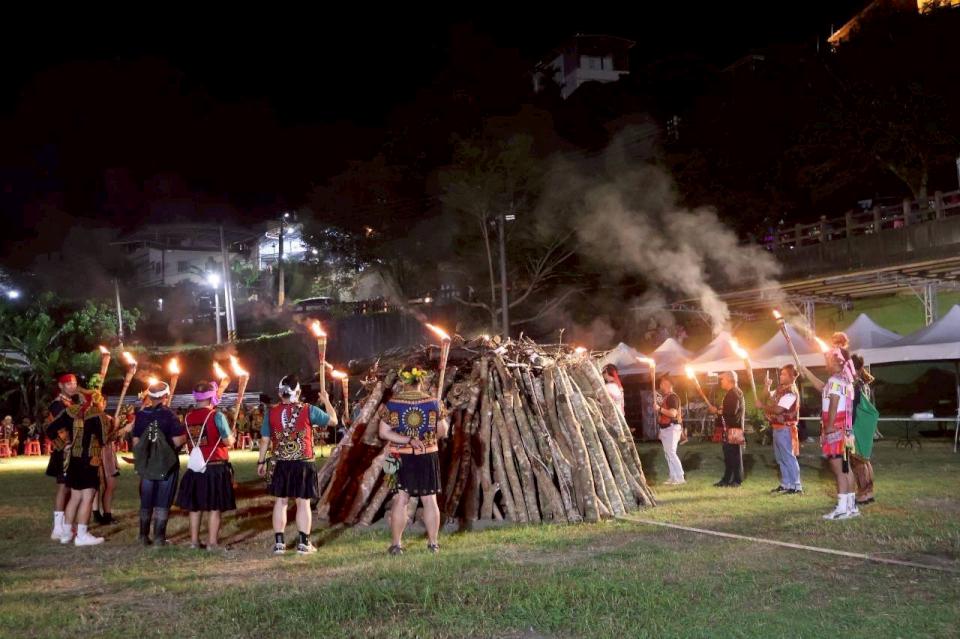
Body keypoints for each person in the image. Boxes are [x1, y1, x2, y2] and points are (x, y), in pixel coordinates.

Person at [257, 374, 338, 555]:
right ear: (298, 392)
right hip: (303, 462)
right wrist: (326, 401)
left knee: (281, 502)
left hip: (280, 462)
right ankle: (303, 544)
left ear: (280, 394)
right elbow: (334, 421)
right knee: (303, 503)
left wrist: (261, 461)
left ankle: (279, 544)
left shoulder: (271, 412)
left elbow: (264, 440)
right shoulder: (308, 409)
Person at [378, 367, 450, 555]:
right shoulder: (434, 402)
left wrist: (407, 440)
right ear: (421, 381)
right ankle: (433, 544)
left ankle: (396, 545)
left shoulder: (392, 404)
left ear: (402, 382)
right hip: (427, 454)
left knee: (401, 498)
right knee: (429, 498)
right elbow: (443, 430)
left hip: (400, 456)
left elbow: (383, 432)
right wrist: (427, 438)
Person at [176, 381, 236, 550]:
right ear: (211, 397)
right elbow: (227, 441)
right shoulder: (217, 416)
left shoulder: (188, 417)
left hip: (195, 467)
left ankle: (194, 542)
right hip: (215, 466)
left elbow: (182, 439)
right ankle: (212, 543)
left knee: (195, 506)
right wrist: (232, 436)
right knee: (214, 506)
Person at [801, 348, 859, 520]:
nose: (826, 362)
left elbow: (833, 403)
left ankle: (841, 509)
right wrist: (806, 371)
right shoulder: (845, 380)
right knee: (846, 468)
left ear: (838, 362)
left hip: (836, 428)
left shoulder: (835, 380)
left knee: (839, 470)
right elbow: (823, 388)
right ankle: (851, 506)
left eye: (829, 360)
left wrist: (829, 426)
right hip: (847, 430)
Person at [132, 381, 187, 545]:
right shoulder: (169, 415)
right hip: (166, 465)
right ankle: (158, 538)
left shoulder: (141, 415)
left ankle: (142, 536)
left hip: (147, 464)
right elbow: (177, 442)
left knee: (146, 499)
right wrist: (186, 436)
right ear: (165, 396)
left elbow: (136, 443)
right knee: (163, 500)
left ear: (149, 396)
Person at [59, 392, 109, 546]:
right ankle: (82, 535)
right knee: (87, 498)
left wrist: (64, 445)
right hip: (89, 460)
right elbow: (104, 439)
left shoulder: (69, 413)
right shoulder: (96, 415)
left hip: (74, 459)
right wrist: (118, 426)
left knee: (75, 498)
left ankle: (66, 534)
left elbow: (50, 428)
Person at [45, 373, 84, 541]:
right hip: (64, 450)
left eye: (74, 383)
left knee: (71, 488)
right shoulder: (57, 404)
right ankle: (58, 527)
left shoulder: (73, 402)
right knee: (64, 487)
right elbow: (60, 427)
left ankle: (67, 524)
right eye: (68, 384)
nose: (72, 386)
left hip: (74, 449)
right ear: (61, 386)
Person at [762, 365, 802, 495]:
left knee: (788, 457)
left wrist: (762, 406)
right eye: (781, 374)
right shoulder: (781, 390)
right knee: (781, 458)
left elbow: (779, 409)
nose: (781, 376)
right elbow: (766, 395)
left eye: (784, 374)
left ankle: (796, 485)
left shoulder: (791, 392)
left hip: (786, 429)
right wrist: (766, 386)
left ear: (791, 377)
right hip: (777, 428)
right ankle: (786, 484)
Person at [710, 371, 745, 487]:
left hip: (733, 429)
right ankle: (727, 479)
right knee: (729, 455)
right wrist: (719, 411)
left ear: (729, 380)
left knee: (734, 455)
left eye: (723, 379)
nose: (721, 381)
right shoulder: (732, 392)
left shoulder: (734, 393)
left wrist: (717, 411)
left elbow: (731, 411)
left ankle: (736, 480)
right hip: (730, 428)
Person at [850, 354, 877, 506]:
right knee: (865, 460)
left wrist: (851, 427)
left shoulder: (856, 385)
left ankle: (863, 493)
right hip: (865, 424)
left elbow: (854, 408)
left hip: (858, 424)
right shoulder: (862, 383)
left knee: (858, 460)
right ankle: (869, 491)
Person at [654, 375, 685, 485]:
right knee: (668, 454)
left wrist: (659, 409)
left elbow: (673, 413)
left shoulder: (672, 397)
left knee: (671, 452)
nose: (661, 384)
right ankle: (673, 476)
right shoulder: (666, 397)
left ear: (668, 383)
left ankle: (680, 477)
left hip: (672, 427)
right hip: (665, 428)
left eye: (662, 382)